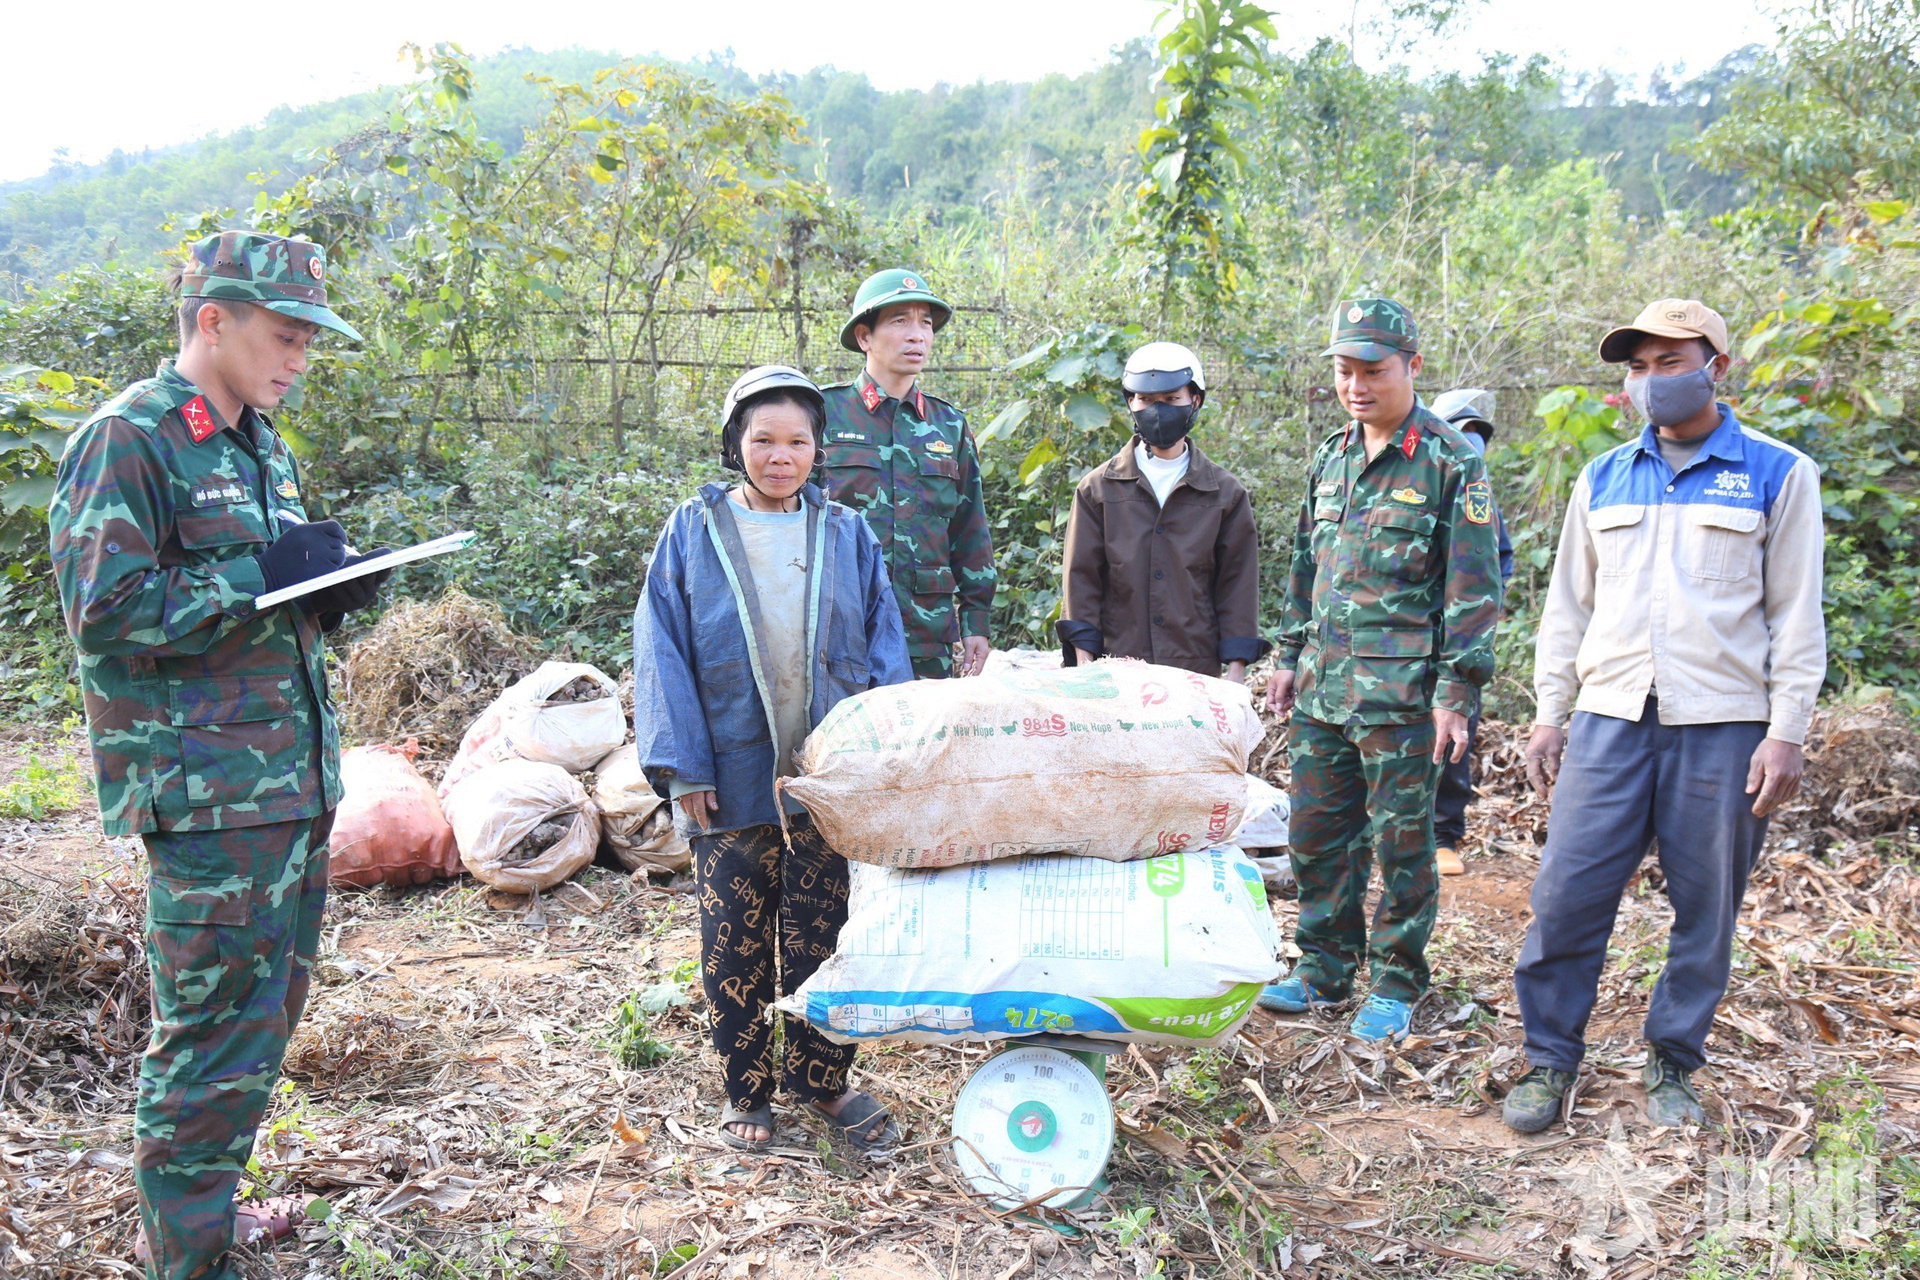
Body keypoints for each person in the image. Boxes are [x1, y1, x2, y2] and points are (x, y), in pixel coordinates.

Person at [47, 230, 389, 1280]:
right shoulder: (132, 436)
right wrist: (257, 580)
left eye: (307, 341)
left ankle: (200, 1218)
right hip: (207, 798)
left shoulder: (256, 440)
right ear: (214, 321)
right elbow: (104, 610)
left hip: (288, 783)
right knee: (207, 1038)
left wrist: (321, 595)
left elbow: (261, 609)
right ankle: (186, 1259)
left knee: (262, 1019)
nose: (297, 358)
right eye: (284, 336)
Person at [1504, 300, 1825, 1133]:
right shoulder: (1603, 477)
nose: (1651, 381)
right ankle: (1549, 1060)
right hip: (1610, 720)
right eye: (1637, 367)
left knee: (1706, 905)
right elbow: (1566, 608)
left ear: (1717, 367)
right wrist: (1550, 714)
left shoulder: (1777, 473)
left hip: (1723, 725)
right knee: (1567, 894)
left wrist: (1786, 728)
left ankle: (1674, 1061)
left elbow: (1796, 615)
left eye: (1670, 363)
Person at [632, 364, 913, 1152]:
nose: (780, 455)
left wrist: (882, 760)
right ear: (736, 444)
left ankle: (821, 1083)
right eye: (763, 440)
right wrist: (683, 768)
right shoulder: (694, 530)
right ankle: (747, 1093)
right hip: (729, 774)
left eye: (797, 441)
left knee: (825, 934)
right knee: (734, 939)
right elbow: (661, 649)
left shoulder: (845, 533)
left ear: (818, 449)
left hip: (826, 783)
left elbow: (884, 649)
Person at [1260, 298, 1502, 1043]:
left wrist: (1457, 693)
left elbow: (1474, 588)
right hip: (1325, 694)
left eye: (1373, 370)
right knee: (1316, 836)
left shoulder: (1451, 463)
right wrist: (1288, 654)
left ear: (1412, 367)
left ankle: (1396, 981)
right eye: (1344, 370)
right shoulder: (1331, 459)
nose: (1357, 385)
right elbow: (1306, 566)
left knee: (1403, 846)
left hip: (1403, 700)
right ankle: (1324, 968)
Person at [819, 268, 995, 678]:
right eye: (900, 321)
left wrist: (976, 621)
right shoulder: (824, 414)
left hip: (925, 631)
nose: (917, 335)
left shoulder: (948, 425)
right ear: (865, 337)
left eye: (926, 323)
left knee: (923, 741)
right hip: (840, 627)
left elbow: (970, 529)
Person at [1056, 341, 1268, 680]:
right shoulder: (1098, 490)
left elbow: (1237, 582)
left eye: (1171, 400)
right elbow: (1082, 578)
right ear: (1131, 402)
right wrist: (1084, 663)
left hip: (1195, 669)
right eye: (1146, 400)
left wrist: (1237, 670)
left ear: (1194, 400)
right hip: (1117, 669)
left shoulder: (1225, 493)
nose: (1158, 411)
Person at [1424, 388, 1515, 875]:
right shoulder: (1406, 481)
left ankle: (1443, 837)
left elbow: (1499, 560)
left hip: (1456, 641)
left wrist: (1477, 617)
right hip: (1399, 638)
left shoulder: (1479, 495)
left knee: (1454, 735)